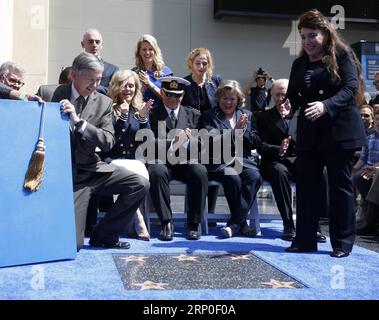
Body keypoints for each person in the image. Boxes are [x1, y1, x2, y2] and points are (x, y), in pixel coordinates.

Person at [285, 9, 367, 258]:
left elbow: (350, 87)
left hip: (339, 131)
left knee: (340, 187)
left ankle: (342, 243)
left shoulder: (342, 55)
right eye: (303, 37)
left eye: (312, 35)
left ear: (326, 34)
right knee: (308, 186)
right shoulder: (299, 63)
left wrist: (326, 105)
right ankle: (305, 240)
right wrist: (289, 106)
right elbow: (294, 96)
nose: (308, 42)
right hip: (310, 134)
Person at [52, 52, 149, 251]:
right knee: (73, 244)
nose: (95, 85)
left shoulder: (104, 102)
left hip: (93, 170)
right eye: (90, 79)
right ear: (73, 74)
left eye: (98, 80)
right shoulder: (51, 94)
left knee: (139, 183)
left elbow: (107, 141)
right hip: (65, 177)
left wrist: (80, 124)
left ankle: (104, 235)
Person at [257, 79, 327, 242]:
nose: (281, 98)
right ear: (271, 95)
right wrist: (278, 149)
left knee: (317, 172)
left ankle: (314, 225)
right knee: (278, 172)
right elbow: (260, 145)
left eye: (285, 94)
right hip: (275, 161)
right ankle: (288, 223)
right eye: (277, 94)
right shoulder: (263, 117)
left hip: (300, 159)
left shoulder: (303, 113)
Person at [148, 76, 207, 241]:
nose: (174, 99)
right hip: (163, 161)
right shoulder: (153, 114)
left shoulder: (193, 115)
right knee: (156, 171)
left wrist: (187, 142)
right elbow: (148, 143)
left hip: (185, 162)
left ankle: (194, 223)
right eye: (169, 94)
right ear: (161, 92)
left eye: (178, 95)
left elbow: (203, 144)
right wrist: (174, 142)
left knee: (200, 171)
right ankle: (166, 222)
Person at [201, 80, 262, 238]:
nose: (228, 102)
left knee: (254, 176)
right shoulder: (208, 115)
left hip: (244, 161)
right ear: (219, 99)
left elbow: (256, 140)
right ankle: (242, 225)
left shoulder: (247, 115)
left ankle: (234, 224)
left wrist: (243, 132)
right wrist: (233, 133)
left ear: (238, 100)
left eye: (232, 99)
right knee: (233, 178)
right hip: (219, 162)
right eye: (224, 99)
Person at [99, 69, 154, 241]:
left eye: (131, 86)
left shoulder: (139, 109)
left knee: (138, 171)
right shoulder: (107, 108)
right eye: (124, 85)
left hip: (133, 160)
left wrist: (144, 119)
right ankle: (138, 220)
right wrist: (122, 118)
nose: (128, 89)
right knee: (134, 174)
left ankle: (133, 220)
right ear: (116, 87)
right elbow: (110, 140)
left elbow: (147, 140)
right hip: (111, 159)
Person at [181, 47, 222, 216]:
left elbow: (221, 107)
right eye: (198, 62)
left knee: (212, 170)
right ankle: (194, 211)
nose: (201, 66)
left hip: (211, 133)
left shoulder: (215, 82)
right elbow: (180, 109)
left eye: (205, 63)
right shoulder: (184, 83)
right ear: (191, 64)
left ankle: (210, 211)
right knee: (196, 172)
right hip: (191, 133)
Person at [352, 110, 379, 235]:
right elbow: (362, 159)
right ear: (374, 121)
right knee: (356, 178)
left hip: (376, 172)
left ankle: (370, 221)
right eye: (378, 120)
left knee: (374, 180)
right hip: (367, 170)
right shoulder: (368, 139)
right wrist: (352, 170)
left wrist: (375, 169)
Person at [132, 34, 173, 108]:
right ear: (139, 52)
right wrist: (141, 90)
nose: (147, 53)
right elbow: (130, 98)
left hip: (161, 115)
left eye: (150, 49)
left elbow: (169, 99)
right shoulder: (134, 73)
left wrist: (149, 84)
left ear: (155, 51)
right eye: (144, 49)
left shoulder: (166, 72)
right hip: (140, 115)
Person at [81, 28, 119, 95]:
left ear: (101, 45)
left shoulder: (112, 70)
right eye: (90, 42)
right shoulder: (76, 68)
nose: (94, 45)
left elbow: (113, 92)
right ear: (82, 44)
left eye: (97, 42)